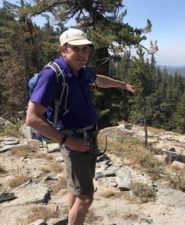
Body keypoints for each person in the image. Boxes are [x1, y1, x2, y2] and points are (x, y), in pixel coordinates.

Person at [25, 28, 136, 225]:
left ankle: (72, 218)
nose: (82, 54)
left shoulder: (82, 71)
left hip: (87, 137)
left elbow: (99, 80)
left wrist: (122, 85)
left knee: (76, 190)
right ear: (63, 50)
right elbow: (32, 118)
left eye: (85, 49)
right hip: (74, 140)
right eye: (76, 49)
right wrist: (67, 141)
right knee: (86, 197)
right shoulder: (52, 75)